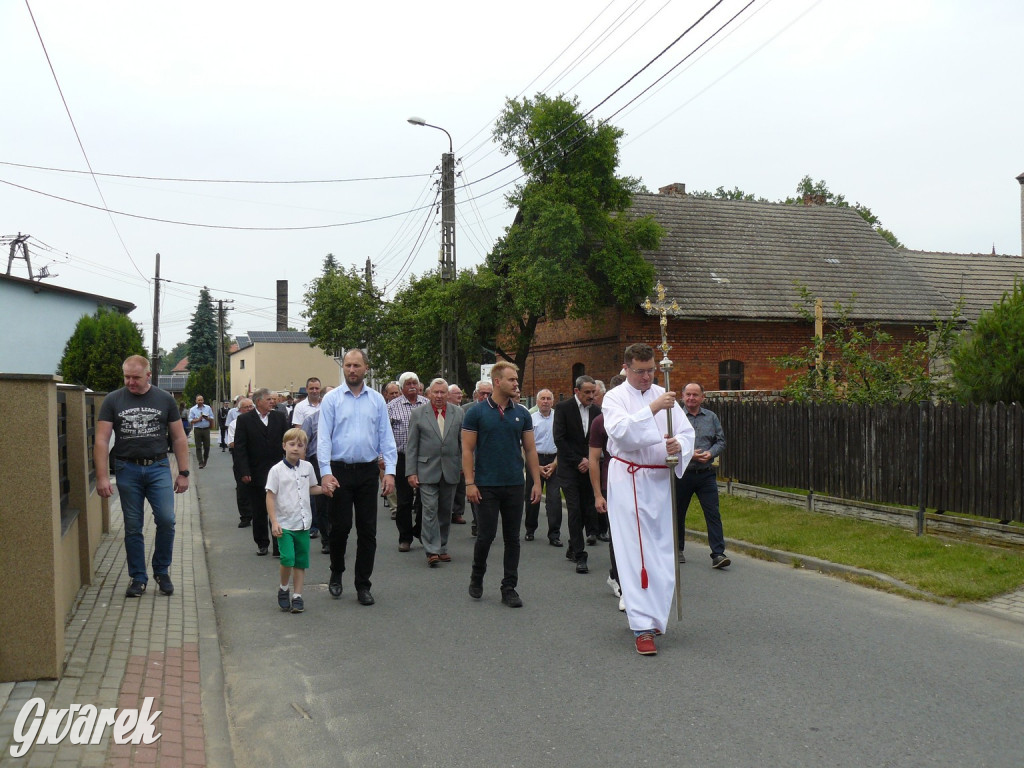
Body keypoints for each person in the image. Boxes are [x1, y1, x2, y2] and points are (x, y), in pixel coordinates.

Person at [602, 343, 694, 655]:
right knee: (634, 553)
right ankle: (641, 626)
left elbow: (686, 432)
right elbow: (621, 433)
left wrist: (678, 446)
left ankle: (656, 616)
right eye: (640, 371)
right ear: (626, 368)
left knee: (661, 551)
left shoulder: (663, 393)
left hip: (659, 482)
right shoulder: (614, 398)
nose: (647, 377)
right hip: (629, 479)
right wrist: (654, 409)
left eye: (651, 370)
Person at [95, 355, 189, 598]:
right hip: (127, 469)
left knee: (167, 520)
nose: (130, 382)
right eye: (126, 376)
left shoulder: (164, 399)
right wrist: (102, 477)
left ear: (148, 375)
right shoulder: (113, 400)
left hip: (158, 467)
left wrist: (183, 472)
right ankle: (138, 577)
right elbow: (102, 440)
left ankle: (161, 570)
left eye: (135, 377)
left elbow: (178, 437)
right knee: (133, 526)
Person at [318, 349, 397, 607]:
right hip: (339, 471)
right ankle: (337, 570)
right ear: (344, 368)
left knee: (368, 531)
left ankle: (363, 584)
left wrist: (391, 473)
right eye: (348, 365)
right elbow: (323, 439)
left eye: (356, 365)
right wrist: (326, 472)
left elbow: (387, 439)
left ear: (366, 368)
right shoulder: (331, 400)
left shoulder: (376, 400)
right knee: (340, 528)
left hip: (366, 472)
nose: (352, 370)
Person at [462, 361, 541, 608]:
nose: (516, 383)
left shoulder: (522, 413)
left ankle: (509, 587)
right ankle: (477, 576)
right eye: (512, 380)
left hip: (515, 484)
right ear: (498, 382)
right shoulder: (476, 413)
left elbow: (530, 449)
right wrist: (469, 483)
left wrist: (536, 481)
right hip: (486, 484)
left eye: (516, 380)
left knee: (513, 539)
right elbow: (467, 449)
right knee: (485, 536)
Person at [406, 378, 464, 567]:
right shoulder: (418, 414)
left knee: (445, 511)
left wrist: (466, 466)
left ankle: (442, 547)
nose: (439, 396)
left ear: (448, 394)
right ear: (429, 393)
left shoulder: (458, 413)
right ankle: (431, 550)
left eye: (443, 393)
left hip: (451, 468)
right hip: (426, 469)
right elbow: (412, 445)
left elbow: (463, 442)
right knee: (429, 509)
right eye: (435, 392)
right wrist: (411, 472)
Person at [266, 428, 324, 613]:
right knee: (287, 559)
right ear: (284, 446)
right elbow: (270, 496)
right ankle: (284, 588)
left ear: (305, 448)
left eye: (300, 445)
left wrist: (325, 489)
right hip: (284, 523)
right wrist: (274, 521)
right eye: (292, 444)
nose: (296, 449)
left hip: (303, 523)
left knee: (300, 561)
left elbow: (311, 488)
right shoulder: (276, 470)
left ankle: (297, 596)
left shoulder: (307, 467)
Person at [677, 382, 731, 569]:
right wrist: (688, 454)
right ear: (682, 396)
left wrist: (711, 453)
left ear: (702, 397)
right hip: (682, 473)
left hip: (706, 474)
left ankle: (718, 554)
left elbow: (721, 441)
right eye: (688, 394)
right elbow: (668, 443)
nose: (691, 398)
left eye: (695, 395)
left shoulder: (711, 417)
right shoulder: (675, 417)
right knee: (677, 513)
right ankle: (677, 549)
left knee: (713, 513)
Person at [553, 375, 601, 574]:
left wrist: (589, 461)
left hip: (589, 468)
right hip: (569, 468)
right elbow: (560, 439)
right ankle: (581, 555)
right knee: (573, 509)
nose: (591, 396)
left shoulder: (598, 412)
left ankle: (573, 546)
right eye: (587, 392)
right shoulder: (563, 409)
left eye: (593, 392)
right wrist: (578, 460)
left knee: (585, 509)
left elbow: (598, 440)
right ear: (577, 391)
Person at [233, 388, 289, 556]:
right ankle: (262, 542)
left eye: (273, 399)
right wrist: (244, 471)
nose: (272, 402)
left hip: (278, 471)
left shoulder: (279, 417)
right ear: (258, 402)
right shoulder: (244, 420)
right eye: (268, 399)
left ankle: (279, 545)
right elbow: (240, 448)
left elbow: (287, 442)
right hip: (255, 472)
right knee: (259, 509)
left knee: (279, 509)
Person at [590, 374, 627, 611]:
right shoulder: (600, 422)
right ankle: (619, 580)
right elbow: (594, 459)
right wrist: (598, 494)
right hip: (610, 482)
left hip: (637, 483)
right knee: (617, 535)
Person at [388, 372, 429, 551]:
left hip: (424, 457)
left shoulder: (427, 404)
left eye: (415, 383)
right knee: (404, 500)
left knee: (424, 498)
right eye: (408, 383)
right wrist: (383, 457)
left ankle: (419, 529)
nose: (412, 386)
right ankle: (405, 537)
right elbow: (384, 434)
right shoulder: (392, 407)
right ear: (401, 387)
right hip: (402, 457)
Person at [523, 389, 561, 545]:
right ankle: (530, 530)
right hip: (535, 459)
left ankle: (554, 535)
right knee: (532, 497)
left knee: (554, 499)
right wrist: (535, 466)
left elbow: (563, 444)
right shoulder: (530, 419)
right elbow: (525, 446)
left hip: (555, 460)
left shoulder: (559, 419)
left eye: (548, 399)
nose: (545, 401)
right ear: (537, 402)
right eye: (542, 399)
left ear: (552, 402)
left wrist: (555, 464)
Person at [301, 385, 333, 554]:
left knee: (339, 503)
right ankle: (326, 539)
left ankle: (337, 536)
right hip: (317, 463)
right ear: (322, 400)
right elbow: (302, 445)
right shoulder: (312, 420)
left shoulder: (344, 419)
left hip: (339, 463)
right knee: (322, 503)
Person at [463, 378, 493, 536]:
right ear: (476, 394)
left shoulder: (497, 410)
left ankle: (482, 523)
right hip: (472, 458)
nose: (486, 397)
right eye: (483, 393)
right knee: (475, 492)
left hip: (490, 460)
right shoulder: (466, 410)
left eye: (489, 393)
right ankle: (478, 522)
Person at [228, 397, 255, 528]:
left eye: (251, 406)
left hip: (257, 460)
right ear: (240, 410)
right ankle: (245, 516)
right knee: (243, 489)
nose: (250, 409)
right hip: (241, 460)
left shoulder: (258, 421)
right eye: (246, 407)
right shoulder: (235, 423)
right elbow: (232, 443)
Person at [447, 383, 468, 525]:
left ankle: (458, 512)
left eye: (460, 393)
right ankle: (445, 511)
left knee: (460, 485)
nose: (460, 395)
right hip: (444, 454)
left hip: (459, 453)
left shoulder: (463, 411)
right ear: (448, 395)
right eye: (456, 393)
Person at [188, 395, 215, 468]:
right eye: (198, 400)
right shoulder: (193, 409)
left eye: (201, 400)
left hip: (206, 429)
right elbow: (190, 420)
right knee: (198, 446)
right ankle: (200, 462)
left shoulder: (208, 408)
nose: (200, 402)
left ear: (203, 400)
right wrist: (198, 419)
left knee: (207, 446)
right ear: (196, 401)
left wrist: (207, 418)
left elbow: (212, 417)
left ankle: (205, 459)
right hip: (197, 429)